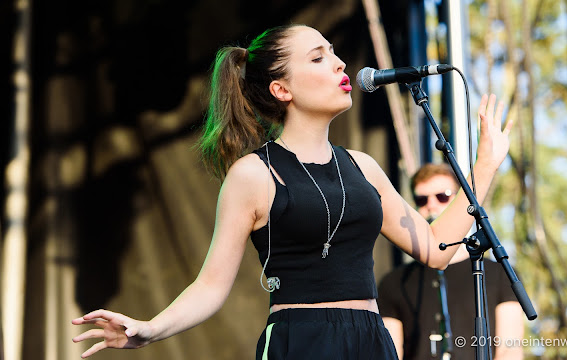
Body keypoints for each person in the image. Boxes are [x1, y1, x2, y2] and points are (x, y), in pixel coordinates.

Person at [71, 24, 513, 359]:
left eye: (335, 53)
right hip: (301, 337)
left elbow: (436, 248)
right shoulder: (253, 175)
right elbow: (210, 286)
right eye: (319, 58)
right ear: (281, 89)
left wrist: (485, 166)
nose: (340, 64)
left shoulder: (363, 167)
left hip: (371, 338)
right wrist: (148, 329)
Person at [377, 163, 524, 359]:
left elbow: (510, 349)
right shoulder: (393, 282)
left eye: (443, 196)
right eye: (422, 199)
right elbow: (391, 353)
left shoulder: (501, 274)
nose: (431, 205)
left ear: (460, 201)